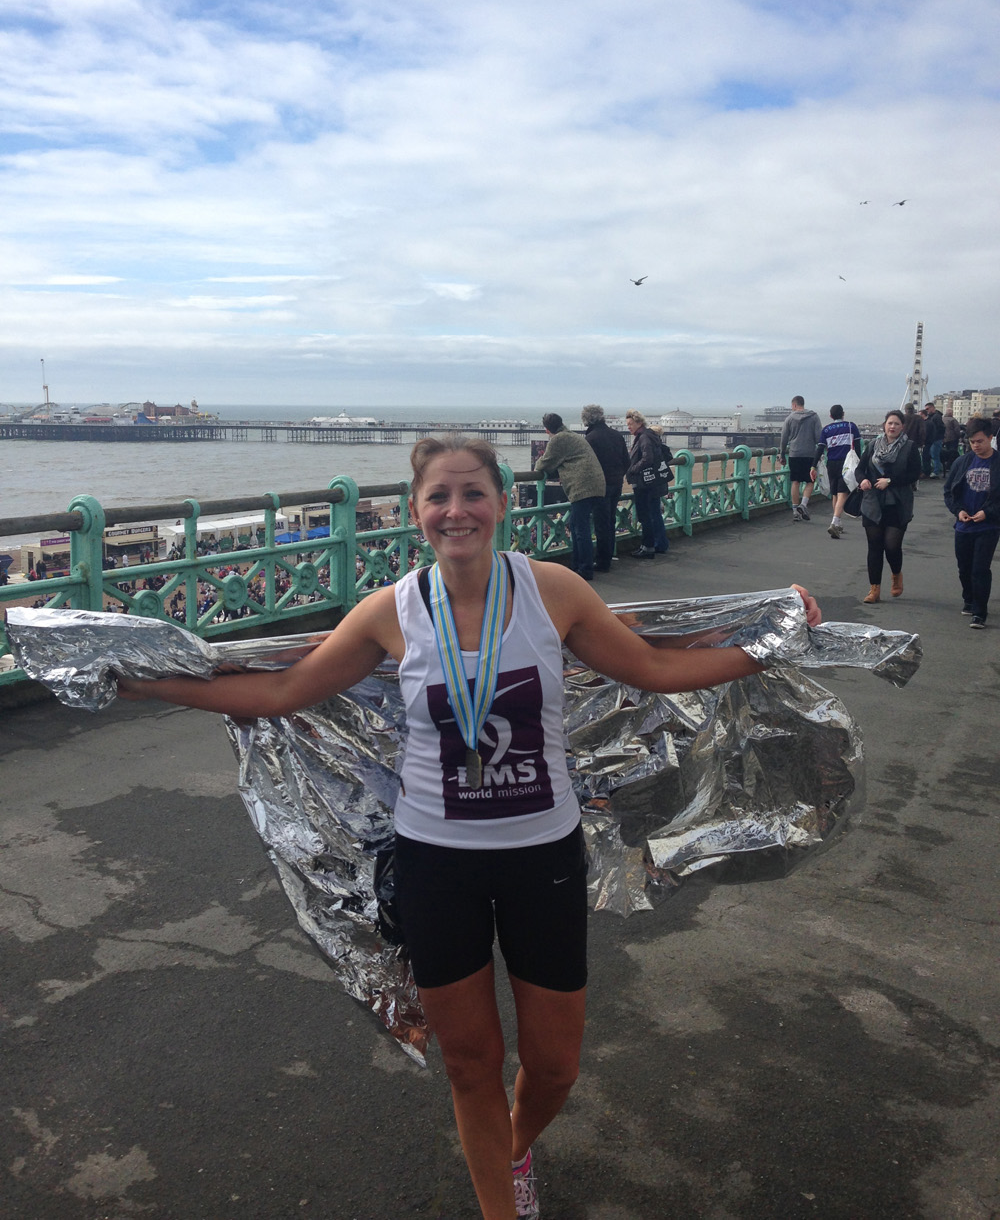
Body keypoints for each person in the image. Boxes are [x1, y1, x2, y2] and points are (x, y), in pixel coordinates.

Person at [116, 433, 823, 1220]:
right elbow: (284, 688)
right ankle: (501, 1202)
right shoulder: (392, 611)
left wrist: (766, 642)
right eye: (439, 497)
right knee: (471, 1063)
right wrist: (154, 687)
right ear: (415, 512)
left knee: (554, 1066)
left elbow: (652, 667)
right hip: (437, 866)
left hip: (540, 860)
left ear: (503, 502)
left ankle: (513, 1144)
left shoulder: (552, 591)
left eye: (472, 492)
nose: (457, 510)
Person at [855, 409, 922, 603]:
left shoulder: (909, 447)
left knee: (892, 546)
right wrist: (863, 481)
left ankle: (896, 575)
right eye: (890, 423)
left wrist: (890, 481)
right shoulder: (873, 445)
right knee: (874, 546)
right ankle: (874, 589)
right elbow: (860, 469)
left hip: (898, 502)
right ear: (884, 425)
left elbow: (914, 474)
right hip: (873, 502)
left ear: (902, 427)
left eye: (897, 424)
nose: (892, 427)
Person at [943, 418, 1000, 629]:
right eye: (972, 441)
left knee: (980, 569)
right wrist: (958, 511)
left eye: (980, 441)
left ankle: (980, 612)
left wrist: (988, 512)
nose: (976, 445)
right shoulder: (963, 462)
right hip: (964, 525)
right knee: (964, 568)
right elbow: (948, 491)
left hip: (989, 526)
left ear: (990, 439)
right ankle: (969, 598)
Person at [534, 413, 605, 581]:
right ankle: (578, 565)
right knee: (576, 526)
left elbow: (543, 464)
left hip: (582, 487)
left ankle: (585, 569)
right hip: (596, 484)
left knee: (580, 529)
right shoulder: (573, 436)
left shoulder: (559, 439)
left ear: (547, 429)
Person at [580, 404, 630, 573]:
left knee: (601, 523)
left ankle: (603, 561)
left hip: (600, 486)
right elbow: (626, 462)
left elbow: (586, 466)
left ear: (587, 419)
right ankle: (608, 556)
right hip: (616, 484)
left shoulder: (591, 439)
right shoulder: (617, 435)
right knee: (609, 521)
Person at [624, 409, 670, 558]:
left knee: (646, 516)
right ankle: (660, 544)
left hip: (645, 483)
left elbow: (647, 459)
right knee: (655, 513)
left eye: (630, 424)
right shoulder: (650, 435)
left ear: (639, 423)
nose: (628, 427)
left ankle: (648, 547)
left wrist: (632, 470)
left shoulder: (643, 437)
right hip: (655, 482)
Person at [812, 405, 861, 539]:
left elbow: (820, 449)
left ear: (830, 416)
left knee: (835, 494)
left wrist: (813, 466)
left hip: (831, 464)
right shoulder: (851, 426)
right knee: (842, 494)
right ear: (843, 414)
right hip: (845, 464)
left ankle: (838, 522)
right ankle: (834, 522)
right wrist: (860, 465)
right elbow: (857, 447)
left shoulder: (826, 429)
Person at [779, 396, 823, 521]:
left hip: (794, 454)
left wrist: (782, 454)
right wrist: (819, 454)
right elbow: (819, 437)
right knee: (810, 481)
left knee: (795, 482)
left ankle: (795, 511)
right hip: (809, 454)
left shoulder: (789, 418)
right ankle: (803, 505)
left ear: (794, 405)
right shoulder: (814, 416)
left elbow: (784, 438)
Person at [921, 402, 945, 478]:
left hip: (936, 439)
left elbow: (941, 428)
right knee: (933, 455)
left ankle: (936, 472)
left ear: (932, 408)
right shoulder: (933, 417)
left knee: (935, 455)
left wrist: (935, 435)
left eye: (927, 409)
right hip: (934, 439)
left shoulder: (936, 417)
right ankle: (936, 470)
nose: (927, 410)